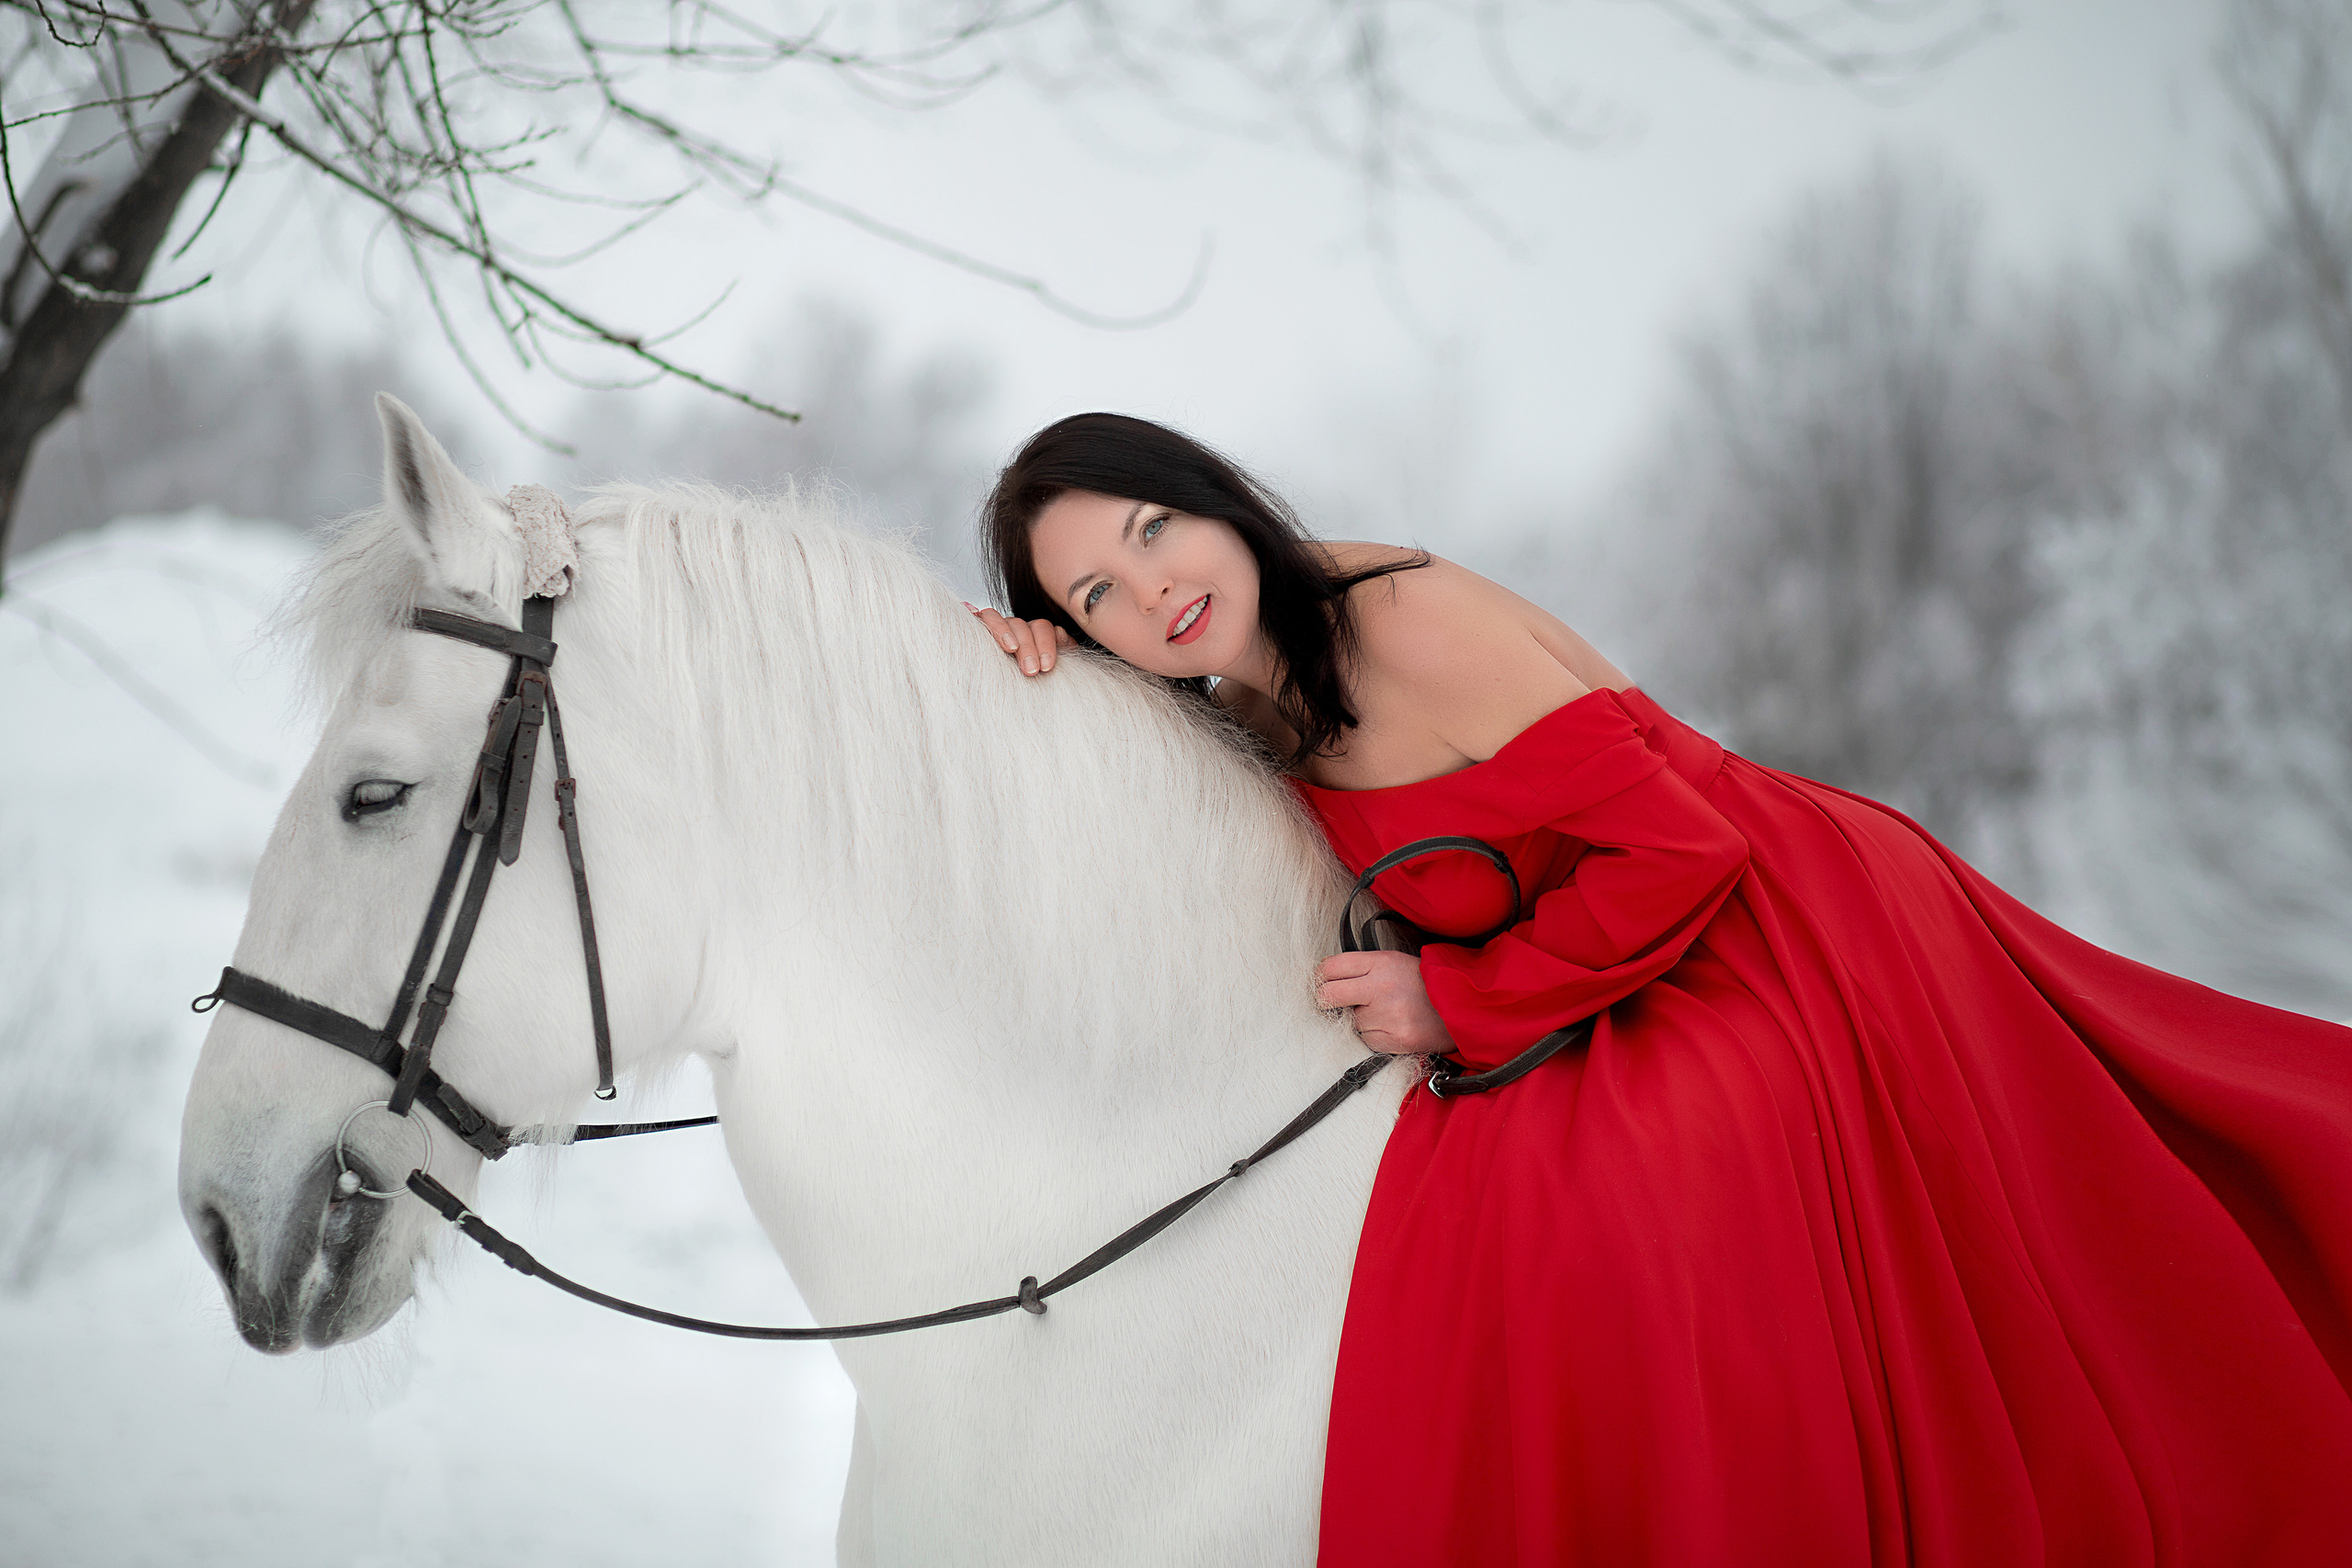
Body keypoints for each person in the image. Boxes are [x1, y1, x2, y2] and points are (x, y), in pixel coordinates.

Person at [970, 412, 2352, 1566]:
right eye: (1095, 595)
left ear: (1214, 501)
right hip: (1605, 957)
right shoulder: (1230, 686)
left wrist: (1462, 1001)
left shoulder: (1400, 624)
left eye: (1154, 530)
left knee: (1651, 1187)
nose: (1151, 590)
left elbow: (1680, 850)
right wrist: (1021, 670)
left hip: (1768, 925)